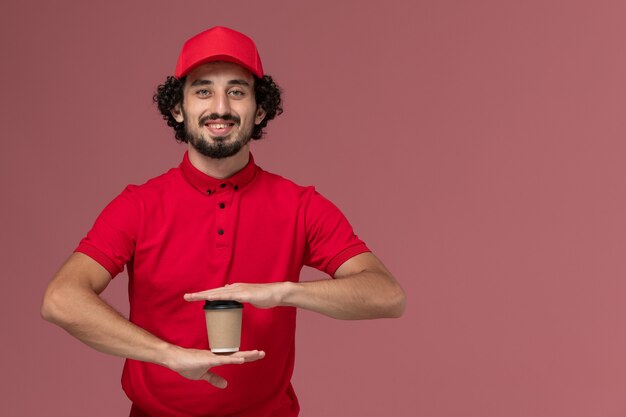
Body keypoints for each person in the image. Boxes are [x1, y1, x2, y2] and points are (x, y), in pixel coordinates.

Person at [41, 26, 406, 417]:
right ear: (178, 109)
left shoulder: (301, 206)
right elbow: (61, 299)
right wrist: (167, 355)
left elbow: (387, 295)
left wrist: (285, 292)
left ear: (259, 109)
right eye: (203, 91)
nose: (221, 107)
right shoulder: (139, 205)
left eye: (237, 91)